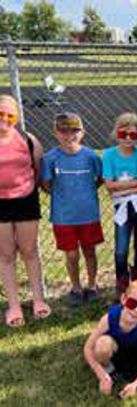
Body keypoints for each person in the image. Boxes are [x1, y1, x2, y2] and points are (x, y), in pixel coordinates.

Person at [41, 112, 103, 306]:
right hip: (63, 216)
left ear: (82, 133)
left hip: (88, 214)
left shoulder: (91, 156)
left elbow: (100, 179)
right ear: (56, 133)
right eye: (63, 131)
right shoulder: (50, 158)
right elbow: (45, 184)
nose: (69, 136)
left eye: (74, 131)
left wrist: (86, 193)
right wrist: (63, 197)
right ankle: (76, 288)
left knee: (90, 251)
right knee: (71, 254)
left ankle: (92, 285)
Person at [0, 94, 50, 327]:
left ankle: (38, 299)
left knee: (30, 251)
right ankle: (14, 305)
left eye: (10, 115)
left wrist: (27, 188)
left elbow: (37, 168)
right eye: (0, 115)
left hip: (26, 200)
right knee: (6, 255)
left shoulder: (28, 140)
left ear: (17, 118)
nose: (5, 120)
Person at [83, 279, 137, 399]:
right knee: (102, 345)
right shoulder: (110, 318)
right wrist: (101, 375)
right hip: (117, 352)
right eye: (132, 303)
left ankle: (132, 377)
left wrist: (136, 384)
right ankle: (109, 371)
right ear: (123, 299)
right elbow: (88, 348)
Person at [103, 113, 137, 295]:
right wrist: (135, 184)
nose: (128, 139)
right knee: (121, 248)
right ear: (117, 133)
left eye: (133, 135)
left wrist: (122, 189)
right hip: (122, 208)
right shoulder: (109, 155)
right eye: (124, 135)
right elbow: (109, 185)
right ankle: (122, 282)